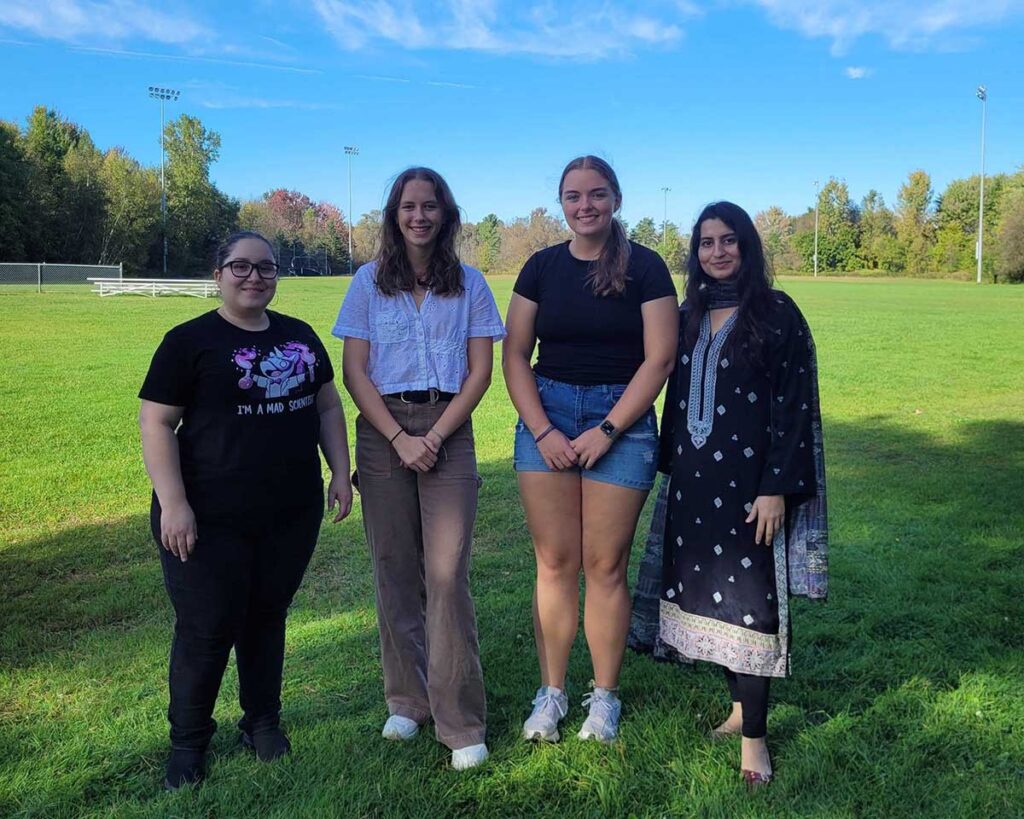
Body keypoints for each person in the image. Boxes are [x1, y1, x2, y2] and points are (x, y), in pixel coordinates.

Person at [139, 230, 352, 789]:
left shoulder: (300, 335)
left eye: (266, 267)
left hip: (289, 511)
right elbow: (156, 423)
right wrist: (174, 504)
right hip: (207, 516)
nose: (254, 277)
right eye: (241, 267)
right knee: (206, 629)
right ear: (218, 274)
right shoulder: (188, 341)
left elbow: (328, 406)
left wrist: (339, 473)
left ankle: (261, 722)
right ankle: (188, 743)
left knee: (266, 618)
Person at [628, 201, 829, 789]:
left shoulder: (777, 314)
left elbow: (795, 408)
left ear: (748, 247)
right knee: (708, 599)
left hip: (751, 489)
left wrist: (775, 489)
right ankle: (739, 707)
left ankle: (755, 742)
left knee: (750, 604)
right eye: (706, 243)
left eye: (729, 241)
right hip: (694, 485)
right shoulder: (688, 316)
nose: (716, 252)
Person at [333, 167, 505, 771]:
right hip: (383, 435)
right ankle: (407, 699)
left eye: (430, 206)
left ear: (446, 214)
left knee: (448, 575)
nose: (419, 216)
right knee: (395, 570)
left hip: (447, 430)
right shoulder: (366, 283)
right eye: (409, 206)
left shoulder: (472, 285)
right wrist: (398, 439)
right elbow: (355, 370)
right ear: (394, 214)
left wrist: (432, 435)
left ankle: (459, 720)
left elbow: (480, 373)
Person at [503, 155, 678, 743]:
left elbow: (659, 359)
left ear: (616, 199)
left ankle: (604, 700)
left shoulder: (647, 268)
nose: (586, 206)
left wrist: (606, 430)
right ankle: (550, 695)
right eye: (574, 197)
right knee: (555, 564)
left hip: (620, 422)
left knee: (605, 567)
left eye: (597, 195)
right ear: (562, 204)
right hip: (546, 416)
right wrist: (545, 432)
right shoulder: (541, 268)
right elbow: (514, 356)